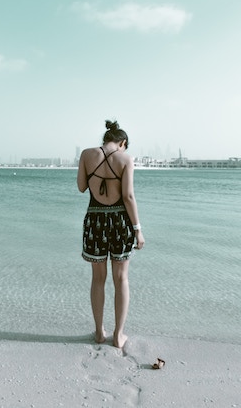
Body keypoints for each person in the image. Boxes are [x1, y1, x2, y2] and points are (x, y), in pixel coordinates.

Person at [77, 120, 145, 348]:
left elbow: (81, 187)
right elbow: (128, 197)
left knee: (98, 279)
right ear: (122, 143)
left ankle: (98, 332)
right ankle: (118, 335)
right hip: (120, 222)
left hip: (95, 219)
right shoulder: (126, 159)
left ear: (105, 139)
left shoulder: (86, 154)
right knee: (121, 279)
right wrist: (137, 230)